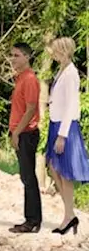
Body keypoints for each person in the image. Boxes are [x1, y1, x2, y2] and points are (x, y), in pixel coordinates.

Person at [46, 37, 87, 235]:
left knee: (64, 171)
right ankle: (70, 213)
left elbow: (71, 105)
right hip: (56, 124)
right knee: (54, 168)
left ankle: (68, 216)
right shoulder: (61, 71)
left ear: (63, 50)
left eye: (55, 50)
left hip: (66, 127)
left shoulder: (71, 73)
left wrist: (62, 135)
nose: (52, 53)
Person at [8, 43, 43, 233]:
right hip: (21, 133)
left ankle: (32, 221)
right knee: (25, 177)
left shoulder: (29, 79)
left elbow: (31, 109)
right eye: (12, 55)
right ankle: (31, 219)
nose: (13, 59)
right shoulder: (20, 78)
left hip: (26, 134)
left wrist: (17, 132)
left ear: (27, 57)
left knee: (29, 177)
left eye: (17, 55)